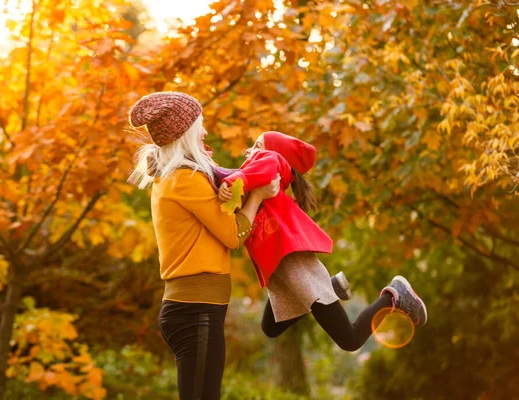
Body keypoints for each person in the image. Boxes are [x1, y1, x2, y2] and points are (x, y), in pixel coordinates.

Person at [128, 92, 280, 400]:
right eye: (200, 124)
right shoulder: (185, 179)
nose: (205, 132)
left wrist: (235, 196)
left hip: (196, 308)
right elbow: (231, 236)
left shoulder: (178, 179)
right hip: (195, 310)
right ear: (185, 133)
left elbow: (217, 222)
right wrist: (258, 197)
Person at [218, 131, 427, 351]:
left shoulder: (269, 163)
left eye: (257, 145)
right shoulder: (258, 186)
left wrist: (231, 182)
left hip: (295, 265)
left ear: (276, 155)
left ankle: (393, 295)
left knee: (350, 340)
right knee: (270, 327)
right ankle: (332, 288)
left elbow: (261, 168)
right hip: (280, 270)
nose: (249, 151)